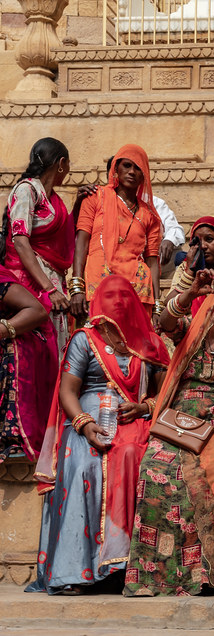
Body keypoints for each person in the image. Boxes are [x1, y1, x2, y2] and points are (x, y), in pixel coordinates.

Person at [124, 270, 214, 596]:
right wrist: (190, 293)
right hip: (178, 420)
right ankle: (155, 573)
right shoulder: (190, 332)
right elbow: (164, 321)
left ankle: (204, 572)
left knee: (212, 471)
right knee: (154, 467)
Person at [28, 275, 168, 595]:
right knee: (84, 465)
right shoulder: (85, 339)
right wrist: (84, 424)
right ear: (98, 300)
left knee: (141, 458)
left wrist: (144, 407)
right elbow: (67, 391)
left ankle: (123, 568)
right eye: (111, 295)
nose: (118, 301)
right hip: (86, 420)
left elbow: (167, 394)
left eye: (124, 294)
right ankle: (74, 571)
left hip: (134, 422)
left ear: (134, 299)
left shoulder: (149, 343)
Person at [1, 138, 77, 351]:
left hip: (52, 287)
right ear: (61, 163)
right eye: (69, 165)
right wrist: (49, 288)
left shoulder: (52, 198)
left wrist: (79, 204)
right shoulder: (26, 190)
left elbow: (63, 235)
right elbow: (20, 242)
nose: (68, 170)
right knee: (35, 348)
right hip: (32, 285)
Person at [70, 146, 163, 318]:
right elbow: (81, 242)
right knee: (98, 343)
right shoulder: (95, 197)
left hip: (137, 292)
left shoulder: (149, 215)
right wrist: (77, 287)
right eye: (127, 165)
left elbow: (152, 262)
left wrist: (157, 305)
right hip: (99, 286)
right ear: (116, 169)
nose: (132, 172)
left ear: (144, 176)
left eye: (138, 168)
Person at [0, 269, 53, 462]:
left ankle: (13, 436)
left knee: (13, 347)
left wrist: (2, 329)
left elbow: (37, 311)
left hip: (20, 337)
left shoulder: (1, 280)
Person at [161, 216, 214, 331]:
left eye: (209, 239)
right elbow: (168, 306)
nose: (203, 246)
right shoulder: (186, 267)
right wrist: (190, 271)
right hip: (191, 329)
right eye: (198, 242)